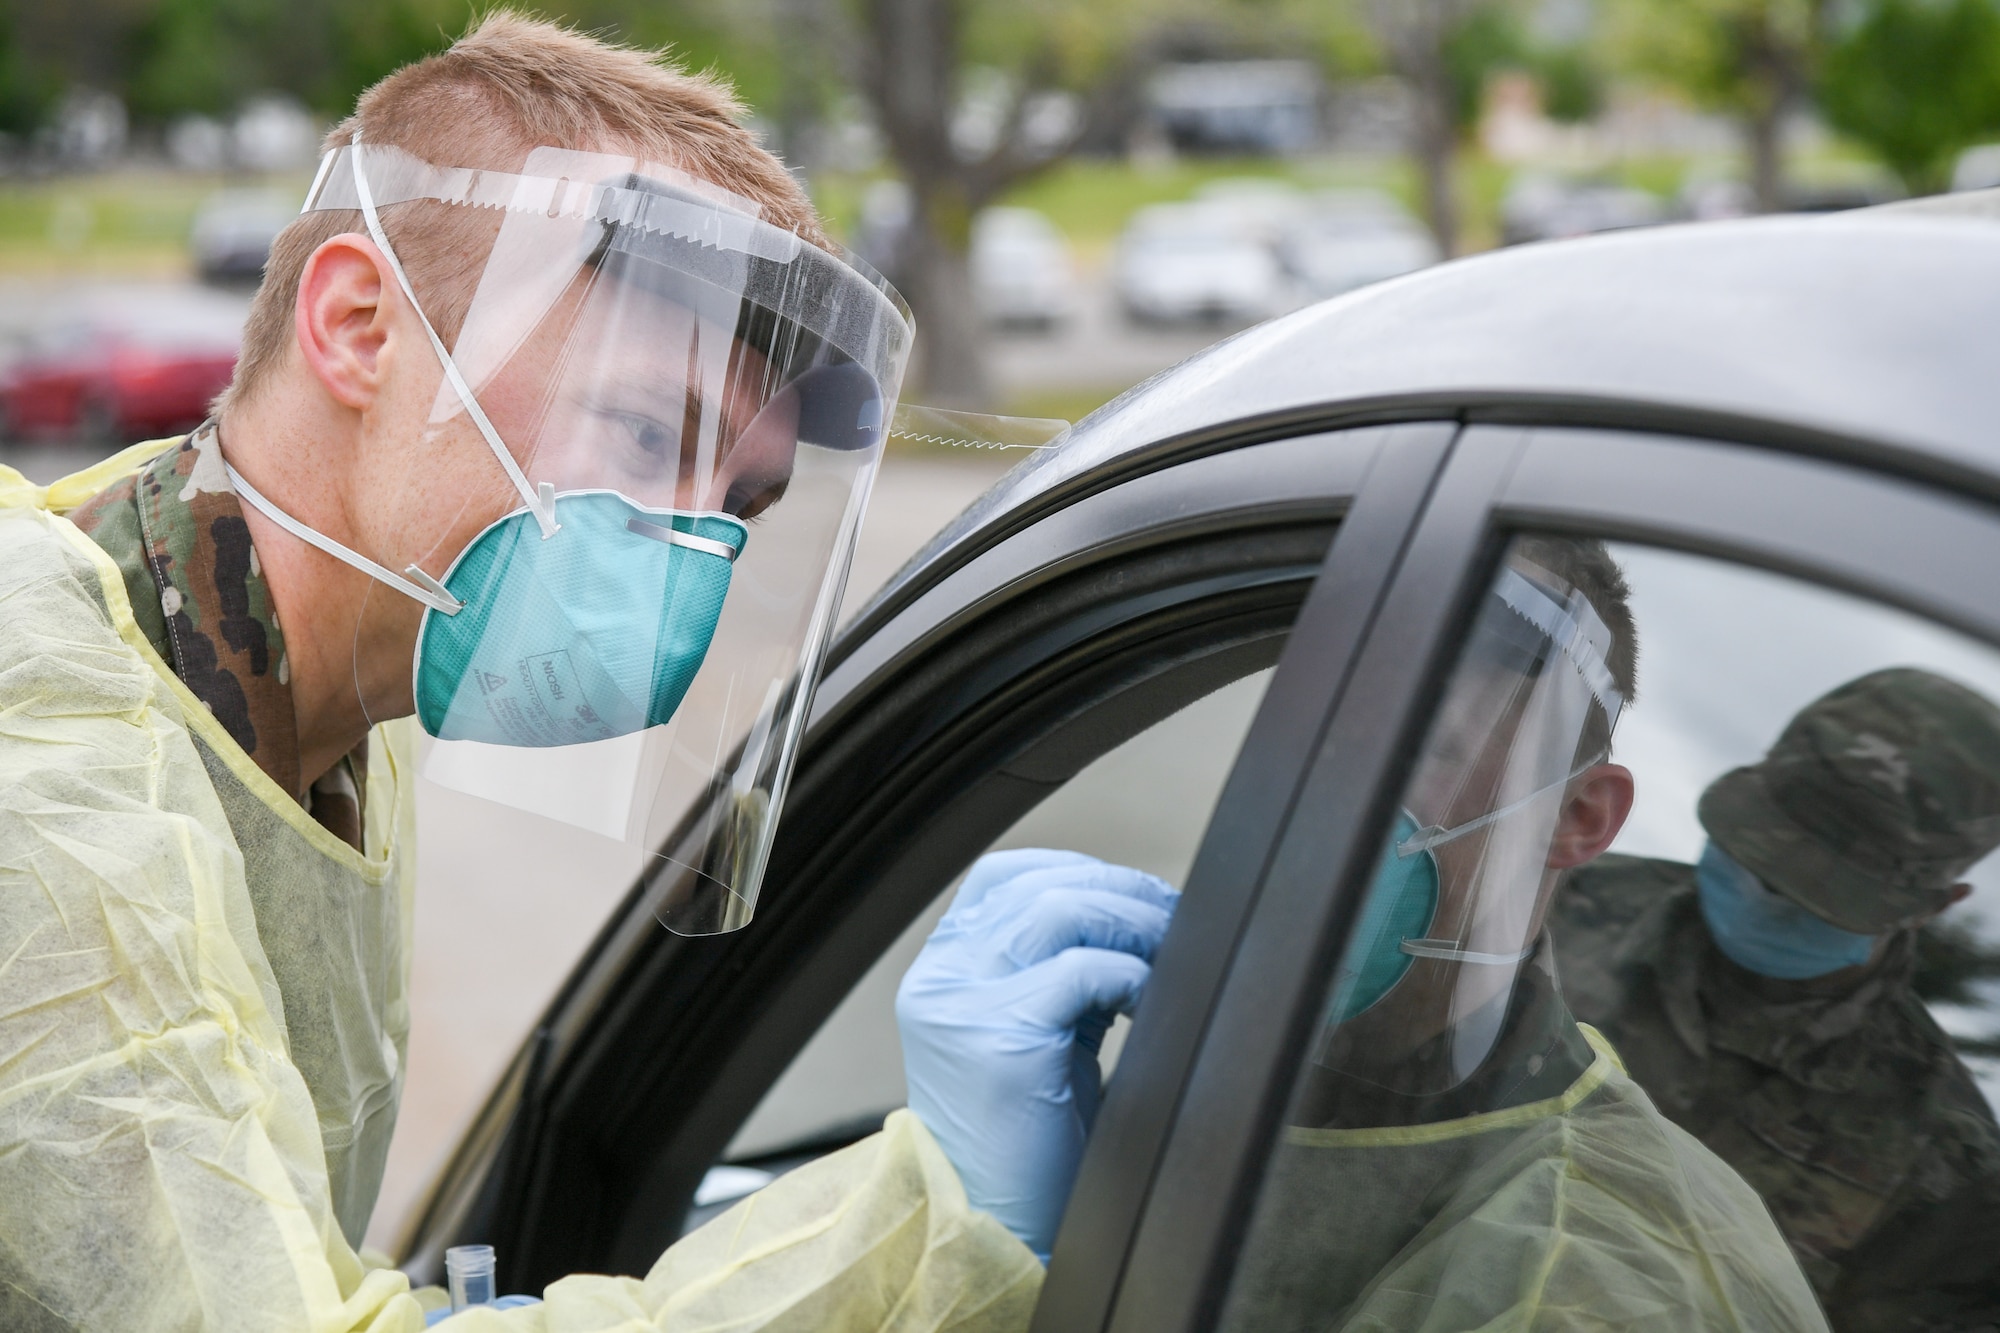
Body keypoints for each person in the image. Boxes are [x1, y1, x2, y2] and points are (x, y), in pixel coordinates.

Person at [0, 14, 1168, 1331]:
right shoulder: (32, 740)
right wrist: (925, 1228)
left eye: (740, 502)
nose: (697, 549)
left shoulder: (315, 723)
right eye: (639, 430)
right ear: (360, 325)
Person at [912, 539, 1830, 1330]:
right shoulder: (1185, 1062)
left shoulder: (1604, 1275)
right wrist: (956, 1220)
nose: (1314, 802)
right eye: (1306, 735)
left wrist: (1009, 1279)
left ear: (1577, 816)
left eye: (1412, 749)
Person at [1551, 667, 2000, 1332]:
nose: (1765, 895)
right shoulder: (1549, 911)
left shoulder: (1948, 1167)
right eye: (1757, 857)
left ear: (1934, 907)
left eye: (1816, 892)